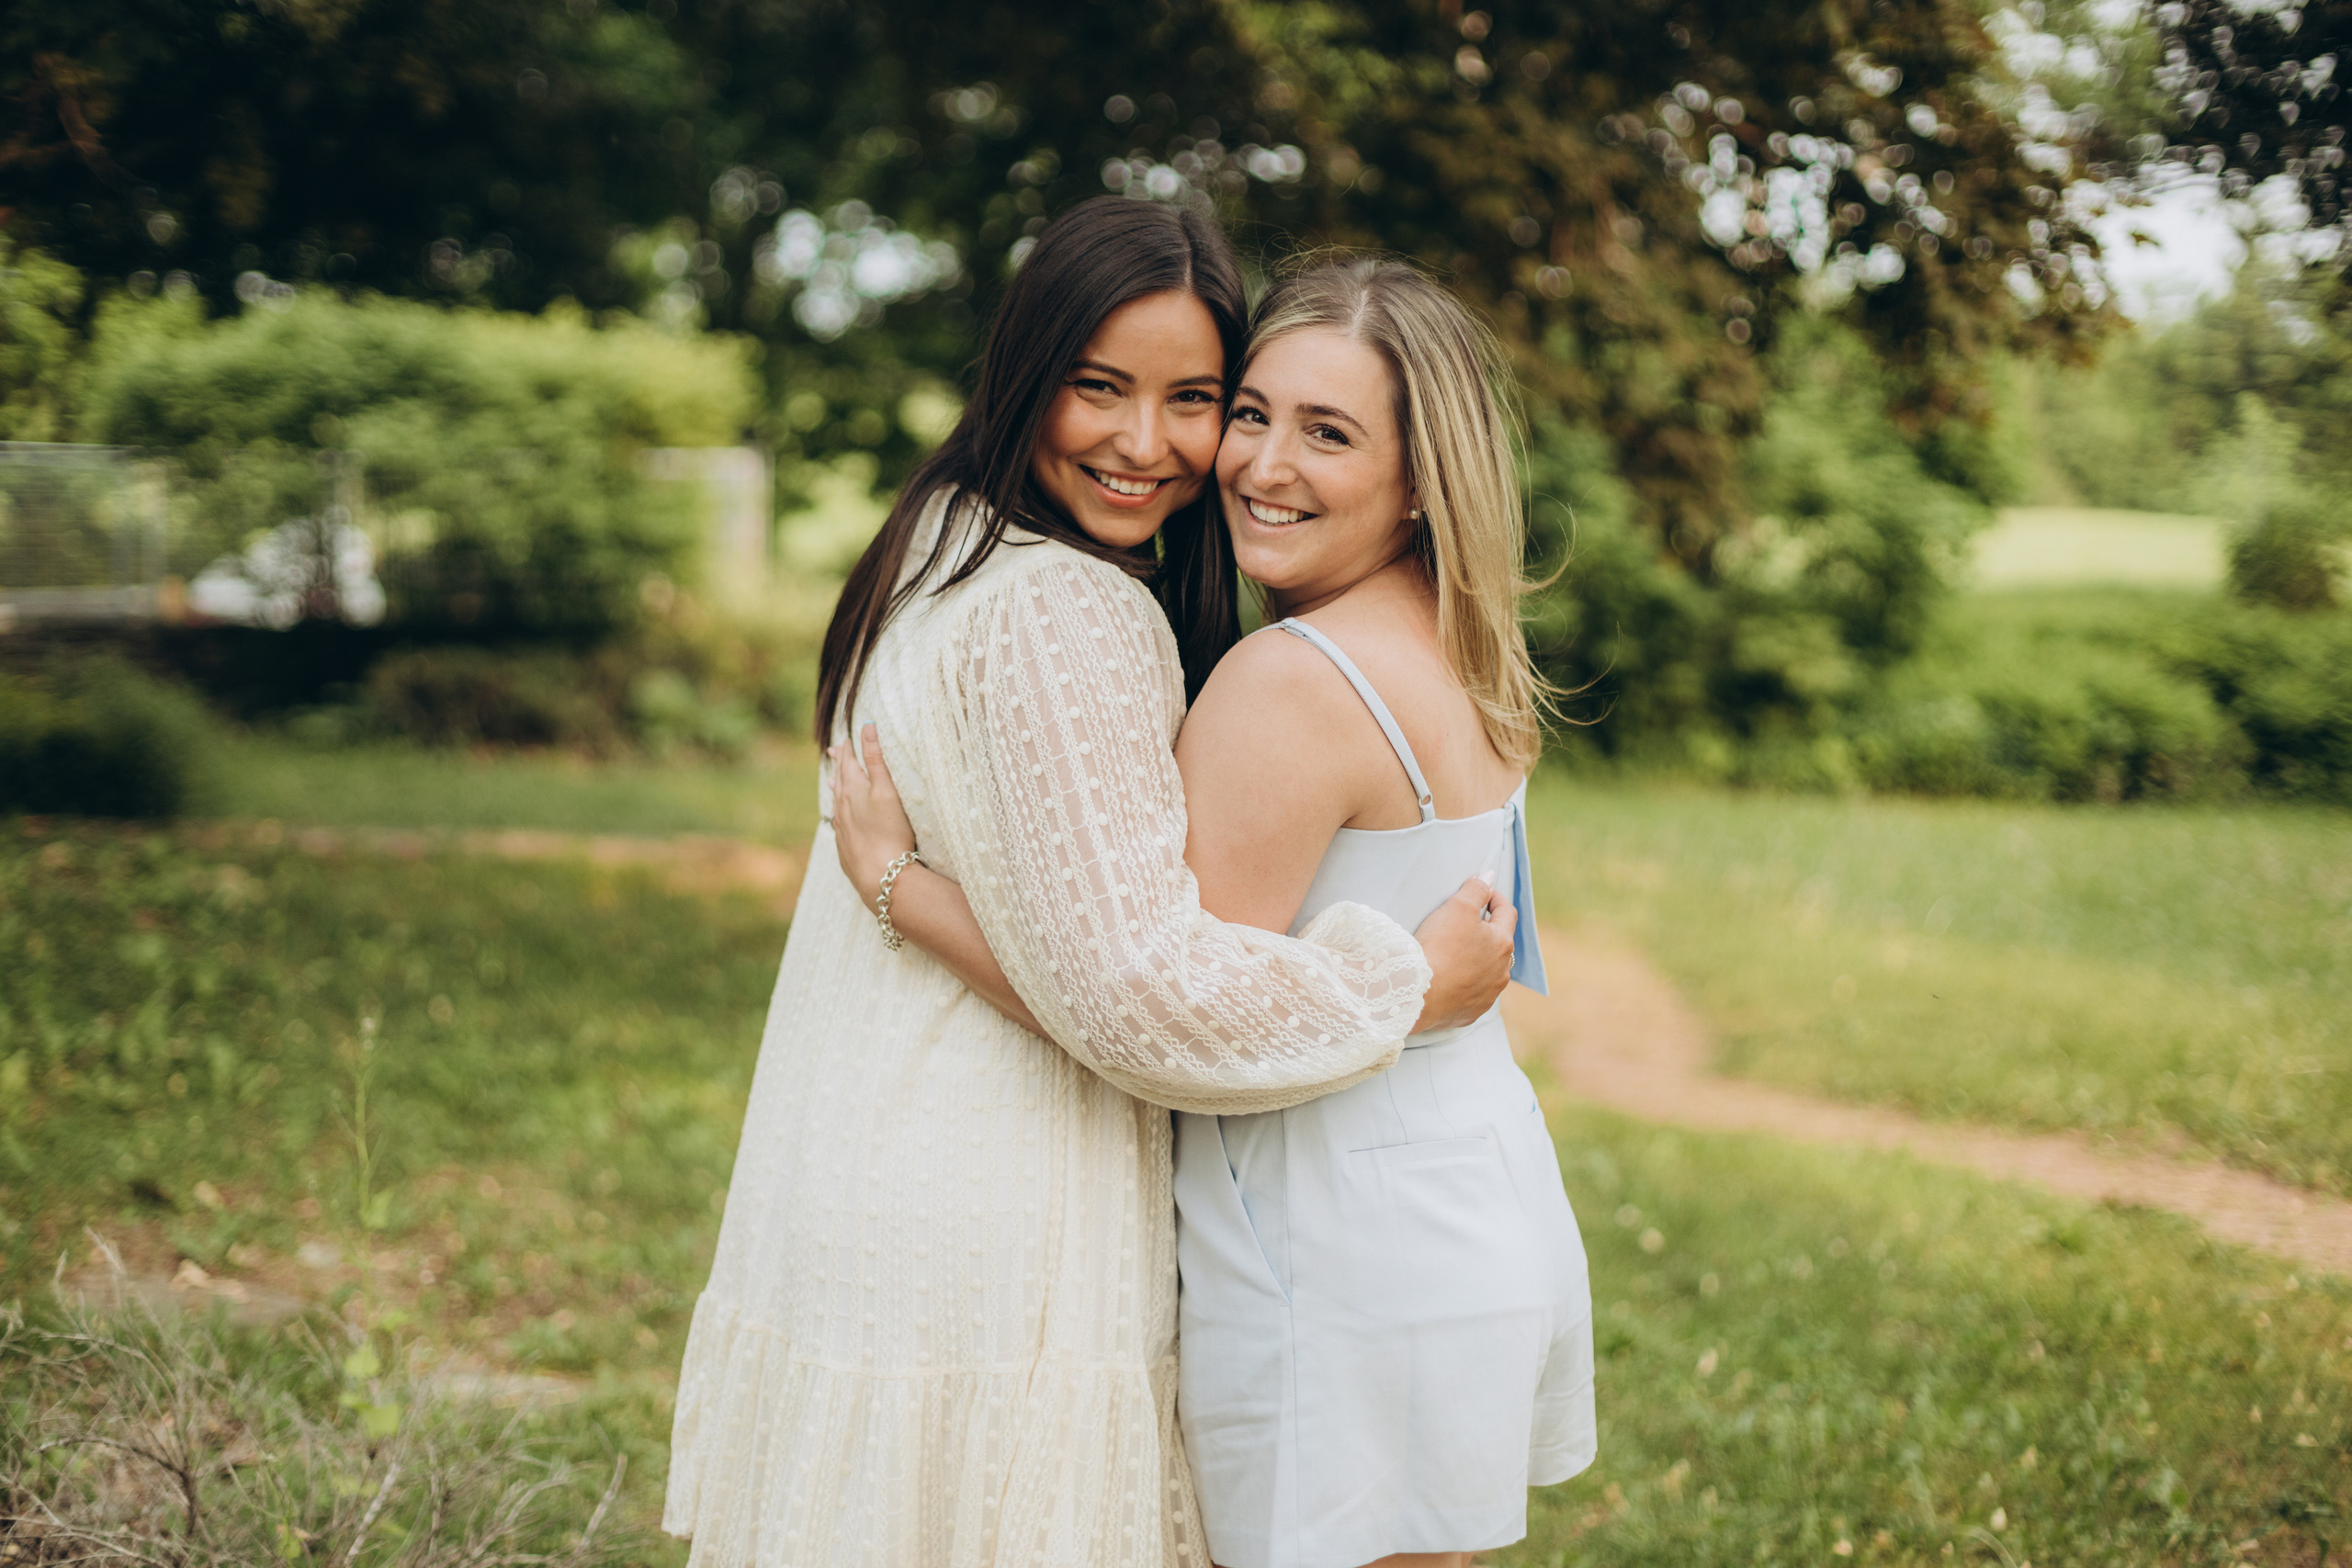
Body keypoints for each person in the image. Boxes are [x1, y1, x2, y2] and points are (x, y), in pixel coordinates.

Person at [663, 198, 1516, 1568]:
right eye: (1098, 387)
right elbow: (1137, 994)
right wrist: (1403, 984)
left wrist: (898, 887)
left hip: (871, 1167)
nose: (1146, 443)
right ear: (1028, 376)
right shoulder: (1072, 608)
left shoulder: (941, 541)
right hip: (991, 1201)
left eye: (1194, 398)